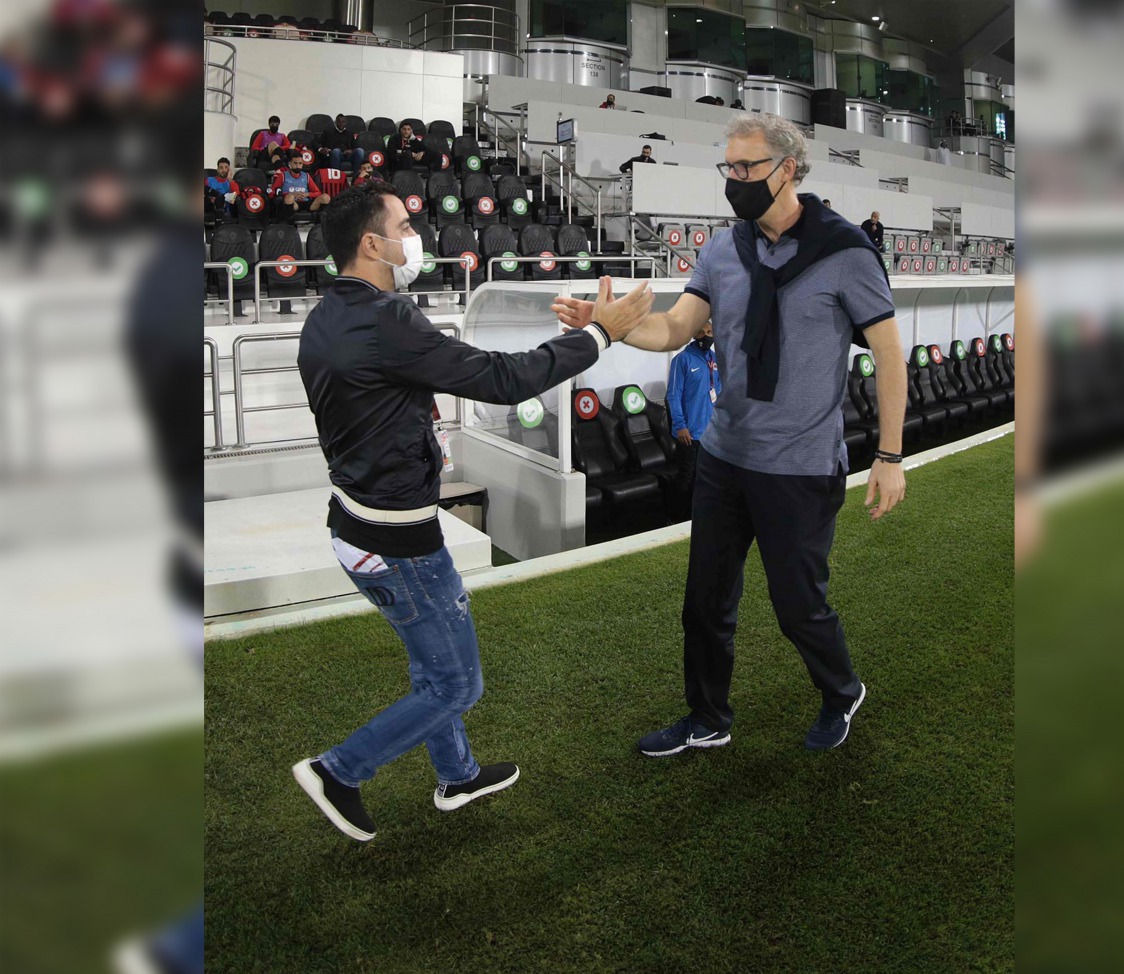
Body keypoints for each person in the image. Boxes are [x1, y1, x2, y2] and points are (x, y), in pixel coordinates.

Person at [292, 184, 655, 842]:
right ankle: (338, 770)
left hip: (353, 528)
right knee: (456, 686)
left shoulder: (327, 316)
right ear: (371, 243)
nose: (417, 236)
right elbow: (503, 379)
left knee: (432, 666)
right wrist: (601, 335)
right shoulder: (385, 319)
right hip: (398, 543)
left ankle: (458, 775)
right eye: (405, 226)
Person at [552, 112, 906, 757]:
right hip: (724, 456)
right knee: (705, 604)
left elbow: (887, 355)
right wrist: (611, 327)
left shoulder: (847, 252)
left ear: (788, 169)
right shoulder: (723, 249)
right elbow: (675, 329)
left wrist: (889, 454)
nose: (734, 178)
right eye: (729, 167)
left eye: (747, 167)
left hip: (800, 465)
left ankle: (841, 690)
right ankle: (708, 717)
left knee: (799, 609)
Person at [666, 321, 720, 514]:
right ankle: (675, 517)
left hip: (711, 433)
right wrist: (680, 426)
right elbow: (673, 396)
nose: (706, 336)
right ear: (693, 334)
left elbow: (720, 393)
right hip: (689, 433)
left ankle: (699, 516)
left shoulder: (716, 360)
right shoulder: (682, 360)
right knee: (686, 477)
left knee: (707, 477)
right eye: (701, 332)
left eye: (710, 332)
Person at [269, 149, 330, 218]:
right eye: (295, 163)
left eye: (300, 163)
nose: (298, 166)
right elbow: (274, 192)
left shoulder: (306, 175)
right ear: (290, 164)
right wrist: (292, 194)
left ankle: (321, 222)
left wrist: (307, 194)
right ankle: (288, 222)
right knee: (289, 197)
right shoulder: (283, 175)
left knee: (326, 197)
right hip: (293, 203)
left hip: (306, 202)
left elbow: (317, 192)